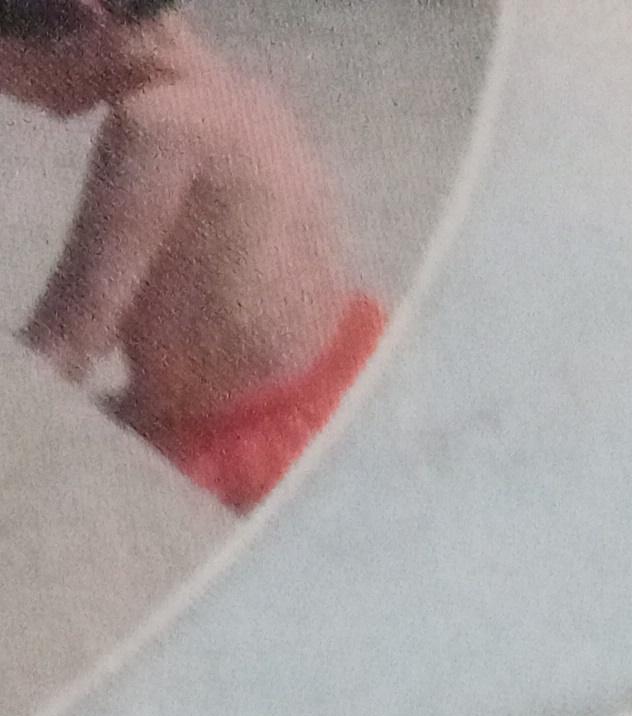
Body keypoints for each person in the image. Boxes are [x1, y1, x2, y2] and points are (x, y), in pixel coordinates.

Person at [2, 0, 384, 513]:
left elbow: (67, 343)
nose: (17, 98)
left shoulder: (152, 126)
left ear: (81, 23)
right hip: (328, 392)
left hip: (244, 458)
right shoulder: (240, 95)